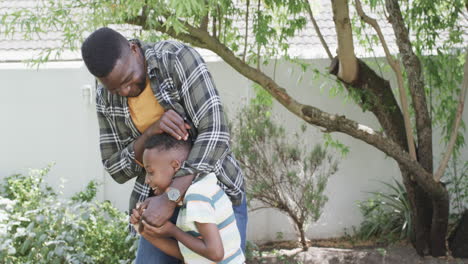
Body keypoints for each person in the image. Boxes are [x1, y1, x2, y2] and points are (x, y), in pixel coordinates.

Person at [80, 27, 247, 263]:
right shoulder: (104, 96)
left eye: (128, 80)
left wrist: (171, 197)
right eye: (115, 89)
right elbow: (115, 167)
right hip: (157, 201)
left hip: (211, 193)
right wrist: (149, 133)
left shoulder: (175, 58)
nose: (125, 91)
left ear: (134, 49)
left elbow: (216, 130)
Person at [131, 133, 245, 264]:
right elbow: (188, 255)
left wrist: (172, 231)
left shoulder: (197, 196)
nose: (146, 180)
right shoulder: (193, 195)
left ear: (175, 166)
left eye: (150, 172)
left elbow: (216, 253)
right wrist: (144, 230)